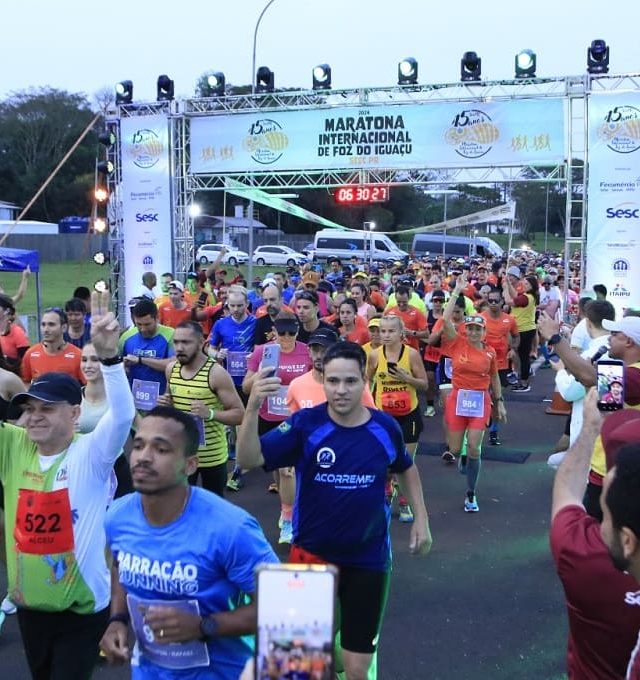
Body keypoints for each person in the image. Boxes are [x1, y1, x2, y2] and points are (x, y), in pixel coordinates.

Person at [236, 341, 432, 680]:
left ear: (364, 381)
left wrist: (422, 521)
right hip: (310, 556)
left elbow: (405, 467)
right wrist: (252, 407)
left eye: (350, 381)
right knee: (296, 664)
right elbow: (248, 459)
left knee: (356, 668)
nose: (341, 390)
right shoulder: (305, 425)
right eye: (333, 381)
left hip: (368, 560)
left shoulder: (384, 428)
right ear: (323, 380)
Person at [0, 291, 136, 679]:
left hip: (81, 610)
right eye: (29, 409)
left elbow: (122, 415)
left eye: (47, 408)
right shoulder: (13, 445)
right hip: (30, 608)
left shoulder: (91, 453)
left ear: (75, 413)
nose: (34, 417)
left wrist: (110, 359)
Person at [99, 405, 278, 679]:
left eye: (161, 449)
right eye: (138, 445)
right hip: (148, 672)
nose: (143, 457)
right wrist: (117, 620)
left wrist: (204, 626)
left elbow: (281, 605)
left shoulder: (231, 528)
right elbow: (120, 567)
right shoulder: (117, 516)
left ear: (190, 464)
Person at [550, 388, 640, 679]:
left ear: (627, 542)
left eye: (605, 514)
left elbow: (566, 492)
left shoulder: (586, 559)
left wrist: (590, 428)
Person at [538, 313, 640, 520]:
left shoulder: (635, 375)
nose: (609, 338)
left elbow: (588, 377)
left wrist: (556, 339)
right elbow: (605, 410)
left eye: (615, 334)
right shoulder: (626, 371)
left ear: (629, 341)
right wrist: (581, 371)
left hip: (618, 473)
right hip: (605, 467)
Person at [441, 273, 506, 512]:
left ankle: (471, 493)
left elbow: (494, 377)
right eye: (470, 329)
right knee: (455, 449)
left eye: (478, 330)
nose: (474, 333)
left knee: (475, 448)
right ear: (465, 330)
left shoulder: (490, 352)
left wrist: (499, 401)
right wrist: (456, 291)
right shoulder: (457, 343)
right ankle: (462, 457)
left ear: (484, 332)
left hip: (480, 400)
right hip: (458, 399)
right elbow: (445, 319)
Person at [162, 321, 244, 497]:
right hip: (182, 454)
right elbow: (172, 405)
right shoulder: (171, 369)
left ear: (201, 343)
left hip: (212, 458)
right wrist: (167, 406)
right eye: (176, 342)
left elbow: (239, 415)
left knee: (212, 508)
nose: (179, 348)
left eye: (186, 342)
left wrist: (210, 413)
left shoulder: (216, 374)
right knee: (181, 505)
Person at [243, 311, 311, 521]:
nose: (287, 337)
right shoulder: (263, 352)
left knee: (287, 470)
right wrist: (260, 374)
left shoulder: (307, 351)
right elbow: (246, 387)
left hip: (296, 417)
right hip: (270, 416)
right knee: (278, 468)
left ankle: (288, 514)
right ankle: (287, 503)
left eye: (292, 333)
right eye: (282, 333)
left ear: (298, 331)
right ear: (274, 331)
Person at [367, 315, 429, 522]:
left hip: (409, 415)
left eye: (391, 331)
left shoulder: (411, 355)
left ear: (401, 333)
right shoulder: (375, 355)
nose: (386, 335)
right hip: (384, 416)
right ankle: (387, 489)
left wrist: (407, 378)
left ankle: (404, 502)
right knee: (384, 459)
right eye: (382, 331)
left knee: (406, 462)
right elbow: (367, 380)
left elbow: (424, 384)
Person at [77, 341, 133, 498]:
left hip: (116, 470)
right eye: (84, 360)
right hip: (82, 470)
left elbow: (138, 430)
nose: (88, 365)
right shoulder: (72, 399)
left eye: (95, 360)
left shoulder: (119, 400)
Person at [480, 287, 520, 446]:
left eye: (496, 301)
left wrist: (513, 349)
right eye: (490, 301)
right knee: (483, 396)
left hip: (501, 364)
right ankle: (480, 423)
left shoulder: (509, 320)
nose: (493, 303)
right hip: (482, 364)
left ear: (502, 302)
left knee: (497, 398)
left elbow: (516, 337)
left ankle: (493, 431)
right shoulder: (480, 318)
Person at [122, 298, 175, 409]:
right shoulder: (126, 337)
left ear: (157, 318)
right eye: (139, 324)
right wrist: (124, 366)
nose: (143, 329)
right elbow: (117, 365)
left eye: (147, 324)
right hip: (134, 403)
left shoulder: (170, 335)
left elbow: (174, 365)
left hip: (162, 403)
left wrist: (140, 360)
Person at [21, 307, 84, 384]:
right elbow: (25, 383)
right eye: (43, 325)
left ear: (64, 328)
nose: (46, 329)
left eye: (51, 324)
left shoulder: (78, 356)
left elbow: (89, 385)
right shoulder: (30, 354)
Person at [504, 274, 539, 392]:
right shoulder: (528, 296)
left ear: (532, 286)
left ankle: (524, 382)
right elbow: (515, 296)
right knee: (521, 356)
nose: (524, 284)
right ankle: (522, 376)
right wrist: (508, 283)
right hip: (525, 329)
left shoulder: (526, 298)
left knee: (523, 357)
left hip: (523, 329)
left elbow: (509, 301)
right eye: (524, 282)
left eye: (527, 283)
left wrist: (505, 288)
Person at [0, 293, 30, 373]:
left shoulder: (17, 333)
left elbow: (25, 360)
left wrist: (6, 359)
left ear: (7, 311)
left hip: (13, 374)